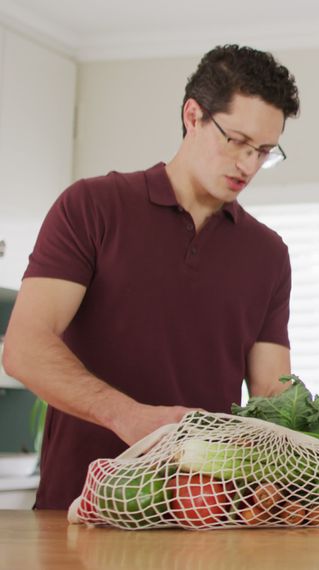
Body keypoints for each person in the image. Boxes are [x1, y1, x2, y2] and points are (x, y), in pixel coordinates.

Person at [2, 45, 301, 509]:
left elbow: (271, 392)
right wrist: (127, 416)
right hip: (78, 507)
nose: (248, 164)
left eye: (263, 151)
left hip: (202, 512)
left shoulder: (268, 254)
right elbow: (24, 348)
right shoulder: (93, 206)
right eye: (236, 141)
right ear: (193, 115)